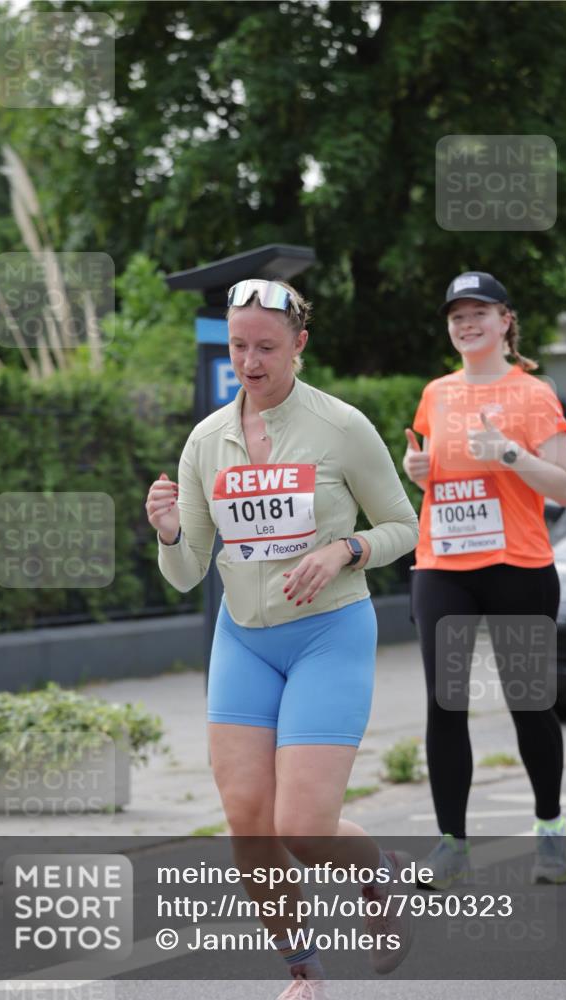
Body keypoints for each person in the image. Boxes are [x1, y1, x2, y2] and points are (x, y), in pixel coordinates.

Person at [146, 278, 420, 997]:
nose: (250, 361)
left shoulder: (340, 426)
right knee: (247, 820)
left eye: (266, 346)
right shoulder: (207, 441)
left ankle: (378, 872)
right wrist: (170, 533)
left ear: (299, 344)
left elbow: (404, 526)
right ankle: (302, 967)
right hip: (244, 641)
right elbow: (184, 573)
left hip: (328, 634)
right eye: (239, 346)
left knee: (302, 827)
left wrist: (344, 551)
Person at [403, 271, 566, 889]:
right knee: (444, 703)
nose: (466, 323)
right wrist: (416, 469)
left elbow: (564, 486)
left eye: (479, 312)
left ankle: (551, 829)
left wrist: (508, 452)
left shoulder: (534, 393)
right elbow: (436, 478)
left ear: (506, 320)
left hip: (518, 565)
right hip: (444, 564)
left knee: (529, 703)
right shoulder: (436, 394)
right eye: (457, 315)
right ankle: (452, 842)